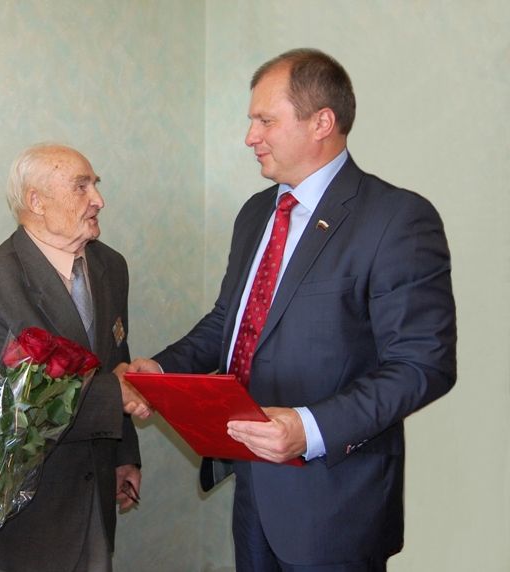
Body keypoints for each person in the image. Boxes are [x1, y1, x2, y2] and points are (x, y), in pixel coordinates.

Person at [123, 48, 457, 571]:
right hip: (254, 490)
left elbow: (423, 364)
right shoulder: (257, 212)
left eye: (265, 120)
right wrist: (161, 371)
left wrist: (310, 428)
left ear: (321, 122)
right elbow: (231, 322)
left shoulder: (396, 219)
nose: (249, 137)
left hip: (338, 500)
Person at [0, 143, 141, 572]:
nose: (99, 199)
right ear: (36, 201)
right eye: (81, 187)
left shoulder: (110, 266)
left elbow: (117, 357)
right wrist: (119, 396)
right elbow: (8, 416)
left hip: (98, 490)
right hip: (33, 518)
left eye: (95, 185)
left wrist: (124, 453)